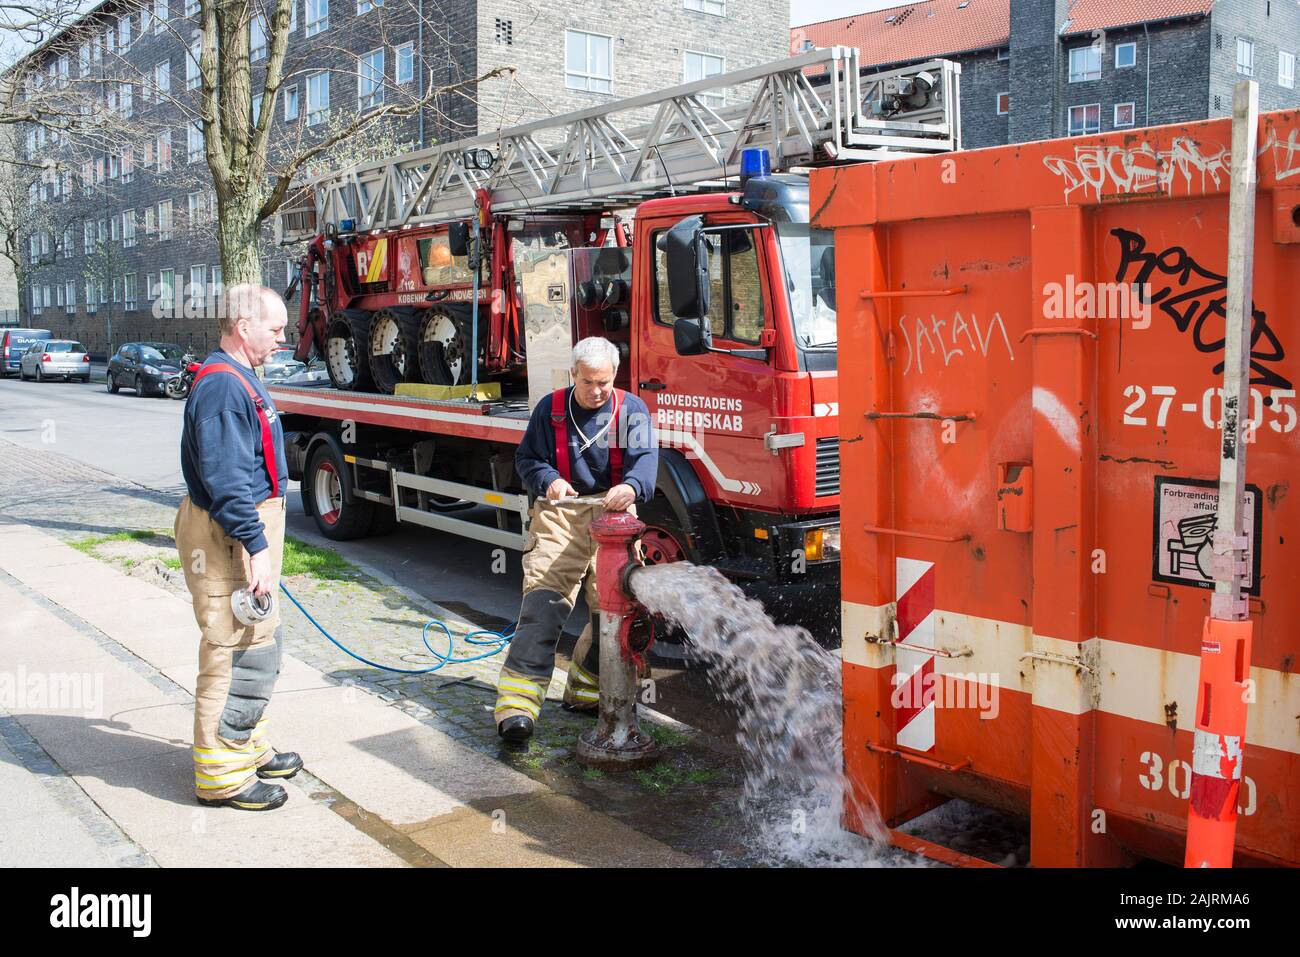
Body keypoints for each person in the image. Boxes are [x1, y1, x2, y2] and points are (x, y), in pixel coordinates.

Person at [174, 283, 302, 811]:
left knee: (257, 645)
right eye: (275, 329)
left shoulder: (237, 377)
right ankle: (223, 777)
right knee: (230, 650)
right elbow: (227, 480)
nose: (283, 338)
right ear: (243, 326)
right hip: (229, 535)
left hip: (242, 531)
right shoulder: (225, 387)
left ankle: (246, 743)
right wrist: (255, 545)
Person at [495, 337, 658, 742]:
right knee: (544, 605)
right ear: (573, 375)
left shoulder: (632, 411)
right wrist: (548, 480)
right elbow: (526, 460)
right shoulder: (549, 410)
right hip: (560, 515)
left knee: (615, 613)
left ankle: (586, 692)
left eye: (603, 382)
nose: (597, 391)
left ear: (614, 376)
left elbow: (646, 464)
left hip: (614, 515)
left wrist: (633, 487)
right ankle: (517, 707)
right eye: (587, 382)